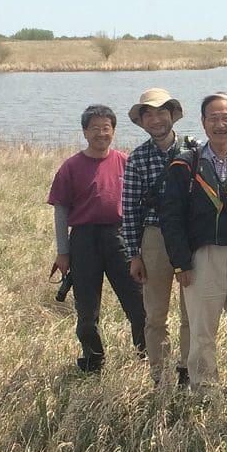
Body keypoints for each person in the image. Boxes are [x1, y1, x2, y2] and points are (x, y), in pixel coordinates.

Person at [159, 92, 227, 390]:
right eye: (213, 118)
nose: (220, 124)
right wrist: (181, 262)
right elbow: (171, 217)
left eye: (226, 118)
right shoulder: (186, 164)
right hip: (201, 259)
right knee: (202, 332)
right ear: (204, 123)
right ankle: (204, 392)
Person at [48, 104, 146, 372]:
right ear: (84, 132)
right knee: (87, 312)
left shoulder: (126, 161)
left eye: (106, 128)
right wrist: (63, 251)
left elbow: (140, 205)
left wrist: (139, 247)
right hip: (84, 240)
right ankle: (93, 360)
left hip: (120, 237)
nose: (101, 133)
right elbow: (61, 211)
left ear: (113, 131)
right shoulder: (71, 166)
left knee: (137, 304)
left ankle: (146, 357)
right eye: (95, 128)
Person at [121, 88, 194, 387]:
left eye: (161, 111)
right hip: (154, 237)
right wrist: (133, 255)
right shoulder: (137, 158)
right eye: (148, 114)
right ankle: (159, 378)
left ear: (172, 115)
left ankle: (188, 371)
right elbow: (129, 210)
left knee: (193, 311)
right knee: (155, 315)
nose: (156, 119)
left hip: (190, 235)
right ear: (142, 121)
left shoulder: (194, 149)